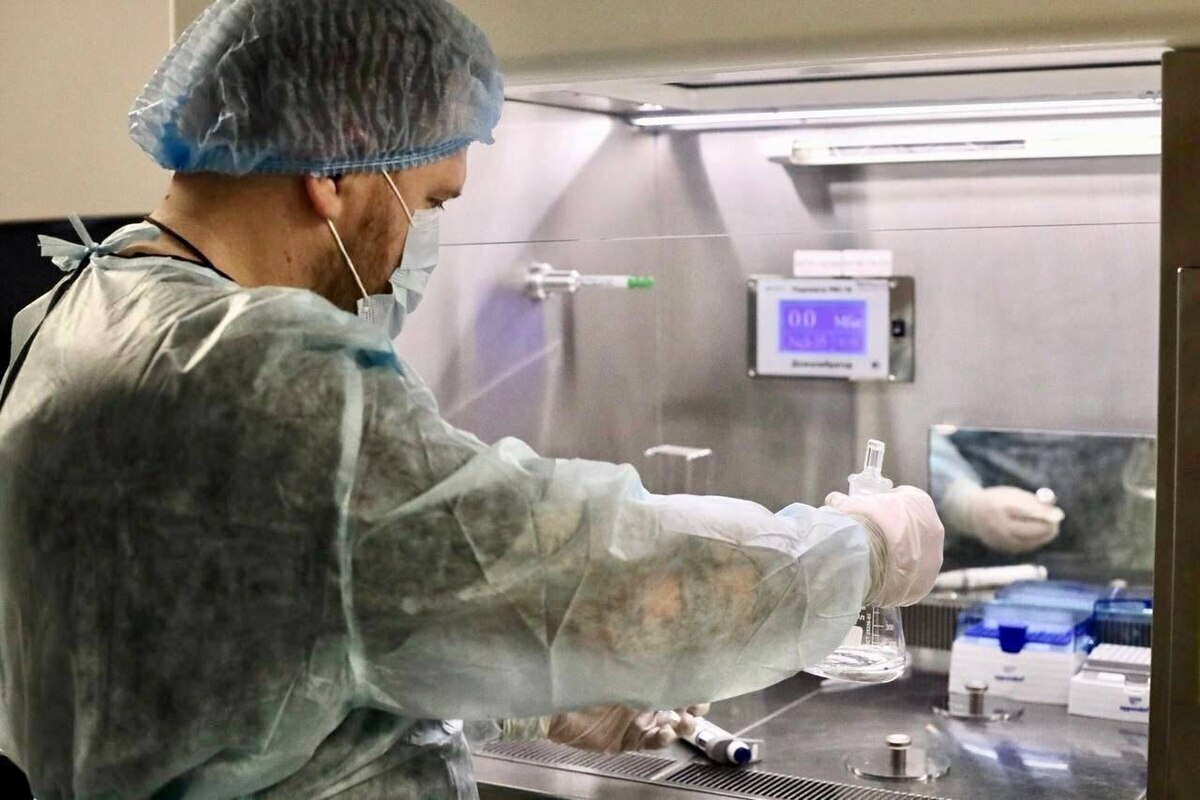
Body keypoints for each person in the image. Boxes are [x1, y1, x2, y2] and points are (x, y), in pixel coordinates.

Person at [0, 1, 944, 797]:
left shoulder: (80, 315)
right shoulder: (268, 383)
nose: (416, 251)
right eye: (431, 201)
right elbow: (585, 564)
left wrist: (527, 694)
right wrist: (854, 553)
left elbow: (274, 641)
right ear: (331, 171)